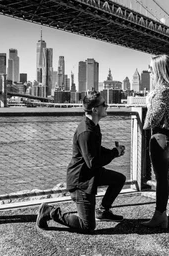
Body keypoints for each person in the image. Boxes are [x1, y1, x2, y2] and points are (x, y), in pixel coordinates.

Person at [36, 90, 126, 233]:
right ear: (95, 110)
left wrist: (114, 151)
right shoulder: (86, 132)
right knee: (87, 226)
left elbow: (94, 150)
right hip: (81, 181)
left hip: (91, 175)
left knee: (119, 179)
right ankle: (49, 211)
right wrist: (114, 153)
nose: (107, 106)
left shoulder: (93, 125)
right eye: (104, 104)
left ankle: (103, 211)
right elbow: (92, 162)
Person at [141, 54, 169, 228]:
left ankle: (160, 215)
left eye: (151, 69)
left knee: (160, 178)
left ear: (158, 70)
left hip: (161, 136)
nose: (150, 72)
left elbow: (154, 119)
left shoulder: (161, 90)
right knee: (165, 173)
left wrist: (148, 103)